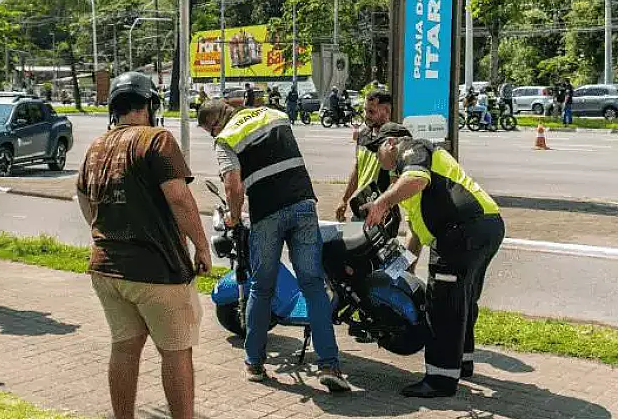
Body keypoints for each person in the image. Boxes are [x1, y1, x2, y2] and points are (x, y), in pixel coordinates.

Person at [77, 71, 211, 419]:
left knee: (124, 349)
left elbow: (85, 200)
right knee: (176, 352)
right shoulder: (157, 140)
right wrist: (201, 246)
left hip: (107, 269)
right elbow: (179, 198)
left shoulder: (96, 147)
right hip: (157, 270)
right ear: (150, 105)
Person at [197, 98, 351, 392]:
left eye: (210, 131)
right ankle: (330, 365)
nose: (213, 136)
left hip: (267, 212)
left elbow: (233, 184)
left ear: (215, 123)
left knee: (261, 287)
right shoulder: (273, 114)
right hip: (303, 203)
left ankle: (254, 363)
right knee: (313, 286)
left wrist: (233, 216)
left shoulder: (227, 138)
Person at [361, 123, 505, 398]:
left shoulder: (412, 148)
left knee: (442, 305)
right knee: (461, 298)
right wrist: (399, 272)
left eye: (376, 150)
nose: (377, 159)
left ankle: (440, 380)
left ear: (390, 143)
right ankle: (461, 362)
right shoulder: (410, 182)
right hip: (485, 226)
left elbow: (416, 179)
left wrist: (382, 203)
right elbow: (416, 236)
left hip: (460, 231)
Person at [335, 91, 423, 265]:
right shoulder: (363, 135)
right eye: (365, 110)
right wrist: (344, 199)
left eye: (371, 111)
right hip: (361, 208)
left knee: (385, 266)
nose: (366, 116)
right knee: (354, 261)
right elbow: (358, 168)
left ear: (386, 111)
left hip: (384, 212)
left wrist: (384, 205)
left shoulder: (396, 137)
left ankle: (406, 276)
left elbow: (399, 178)